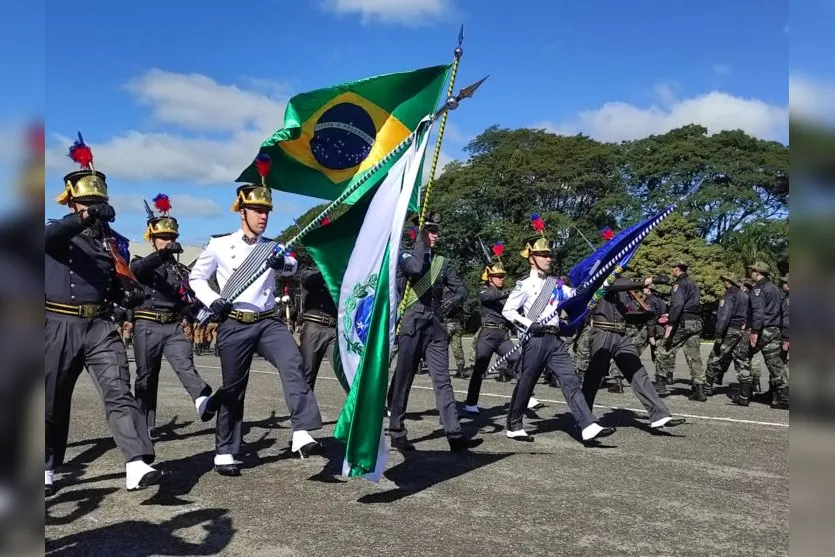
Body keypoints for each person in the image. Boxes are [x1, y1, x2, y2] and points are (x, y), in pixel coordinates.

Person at [45, 138, 160, 494]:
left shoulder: (113, 243)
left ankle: (136, 461)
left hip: (101, 326)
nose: (96, 208)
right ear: (73, 202)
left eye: (100, 203)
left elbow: (119, 284)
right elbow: (53, 234)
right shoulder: (57, 232)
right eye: (88, 202)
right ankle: (45, 465)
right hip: (58, 323)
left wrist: (125, 302)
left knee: (118, 390)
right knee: (51, 399)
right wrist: (84, 218)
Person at [189, 182, 323, 476]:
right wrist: (215, 300)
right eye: (258, 211)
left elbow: (292, 266)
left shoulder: (273, 246)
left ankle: (302, 430)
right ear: (242, 211)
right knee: (234, 388)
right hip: (234, 322)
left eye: (266, 212)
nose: (263, 217)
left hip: (267, 321)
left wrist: (282, 263)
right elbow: (196, 278)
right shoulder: (219, 244)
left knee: (293, 362)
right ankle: (225, 451)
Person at [502, 229, 615, 444]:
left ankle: (588, 425)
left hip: (555, 340)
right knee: (526, 383)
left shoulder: (556, 283)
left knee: (570, 380)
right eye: (544, 255)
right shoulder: (523, 284)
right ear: (531, 258)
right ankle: (514, 425)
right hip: (535, 340)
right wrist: (529, 324)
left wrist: (595, 282)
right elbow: (508, 311)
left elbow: (573, 296)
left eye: (549, 255)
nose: (549, 258)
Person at [387, 212, 482, 452]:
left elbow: (462, 289)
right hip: (411, 321)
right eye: (430, 230)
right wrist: (420, 242)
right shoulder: (404, 254)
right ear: (420, 233)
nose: (436, 235)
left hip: (436, 325)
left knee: (443, 380)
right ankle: (397, 430)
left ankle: (454, 433)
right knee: (404, 377)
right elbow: (417, 268)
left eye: (436, 230)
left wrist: (449, 303)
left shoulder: (442, 261)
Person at [130, 197, 217, 437]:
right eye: (164, 238)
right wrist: (163, 255)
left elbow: (184, 301)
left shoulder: (179, 270)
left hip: (173, 326)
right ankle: (144, 424)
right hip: (147, 323)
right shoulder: (142, 261)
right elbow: (138, 271)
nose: (169, 242)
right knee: (146, 377)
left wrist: (206, 312)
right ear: (153, 240)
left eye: (172, 238)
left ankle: (202, 399)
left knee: (185, 364)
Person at [580, 274, 686, 432]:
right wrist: (649, 280)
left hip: (621, 335)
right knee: (594, 377)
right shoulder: (604, 279)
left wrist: (644, 316)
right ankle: (584, 420)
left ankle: (659, 415)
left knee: (638, 373)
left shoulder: (624, 288)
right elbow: (613, 284)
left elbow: (626, 313)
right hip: (603, 333)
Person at [732, 262, 789, 409]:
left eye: (752, 270)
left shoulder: (758, 289)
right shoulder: (775, 288)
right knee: (775, 363)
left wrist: (755, 331)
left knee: (742, 357)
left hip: (761, 329)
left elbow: (758, 311)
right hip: (774, 330)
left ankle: (744, 395)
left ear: (757, 272)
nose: (750, 272)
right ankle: (785, 396)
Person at [464, 252, 515, 413]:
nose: (501, 279)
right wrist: (514, 290)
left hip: (502, 335)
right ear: (489, 278)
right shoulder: (485, 292)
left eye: (502, 276)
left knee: (518, 359)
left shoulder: (503, 295)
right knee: (480, 369)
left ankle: (525, 397)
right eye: (498, 276)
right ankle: (471, 403)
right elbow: (490, 297)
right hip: (487, 334)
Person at [654, 261, 706, 401]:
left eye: (673, 268)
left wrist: (671, 321)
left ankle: (660, 384)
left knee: (663, 349)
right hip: (695, 322)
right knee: (694, 355)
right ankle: (699, 388)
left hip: (682, 322)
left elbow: (678, 304)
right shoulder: (693, 284)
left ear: (676, 269)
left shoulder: (679, 284)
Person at [704, 275, 748, 396]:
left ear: (729, 282)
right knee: (741, 360)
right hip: (740, 330)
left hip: (729, 330)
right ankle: (745, 393)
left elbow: (724, 316)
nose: (723, 282)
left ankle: (707, 387)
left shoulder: (729, 295)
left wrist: (718, 334)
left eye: (725, 280)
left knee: (714, 357)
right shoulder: (744, 295)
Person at [297, 267, 337, 390]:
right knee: (307, 376)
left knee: (346, 373)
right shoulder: (308, 272)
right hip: (313, 326)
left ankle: (358, 407)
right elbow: (311, 280)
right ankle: (305, 409)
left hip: (335, 328)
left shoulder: (341, 272)